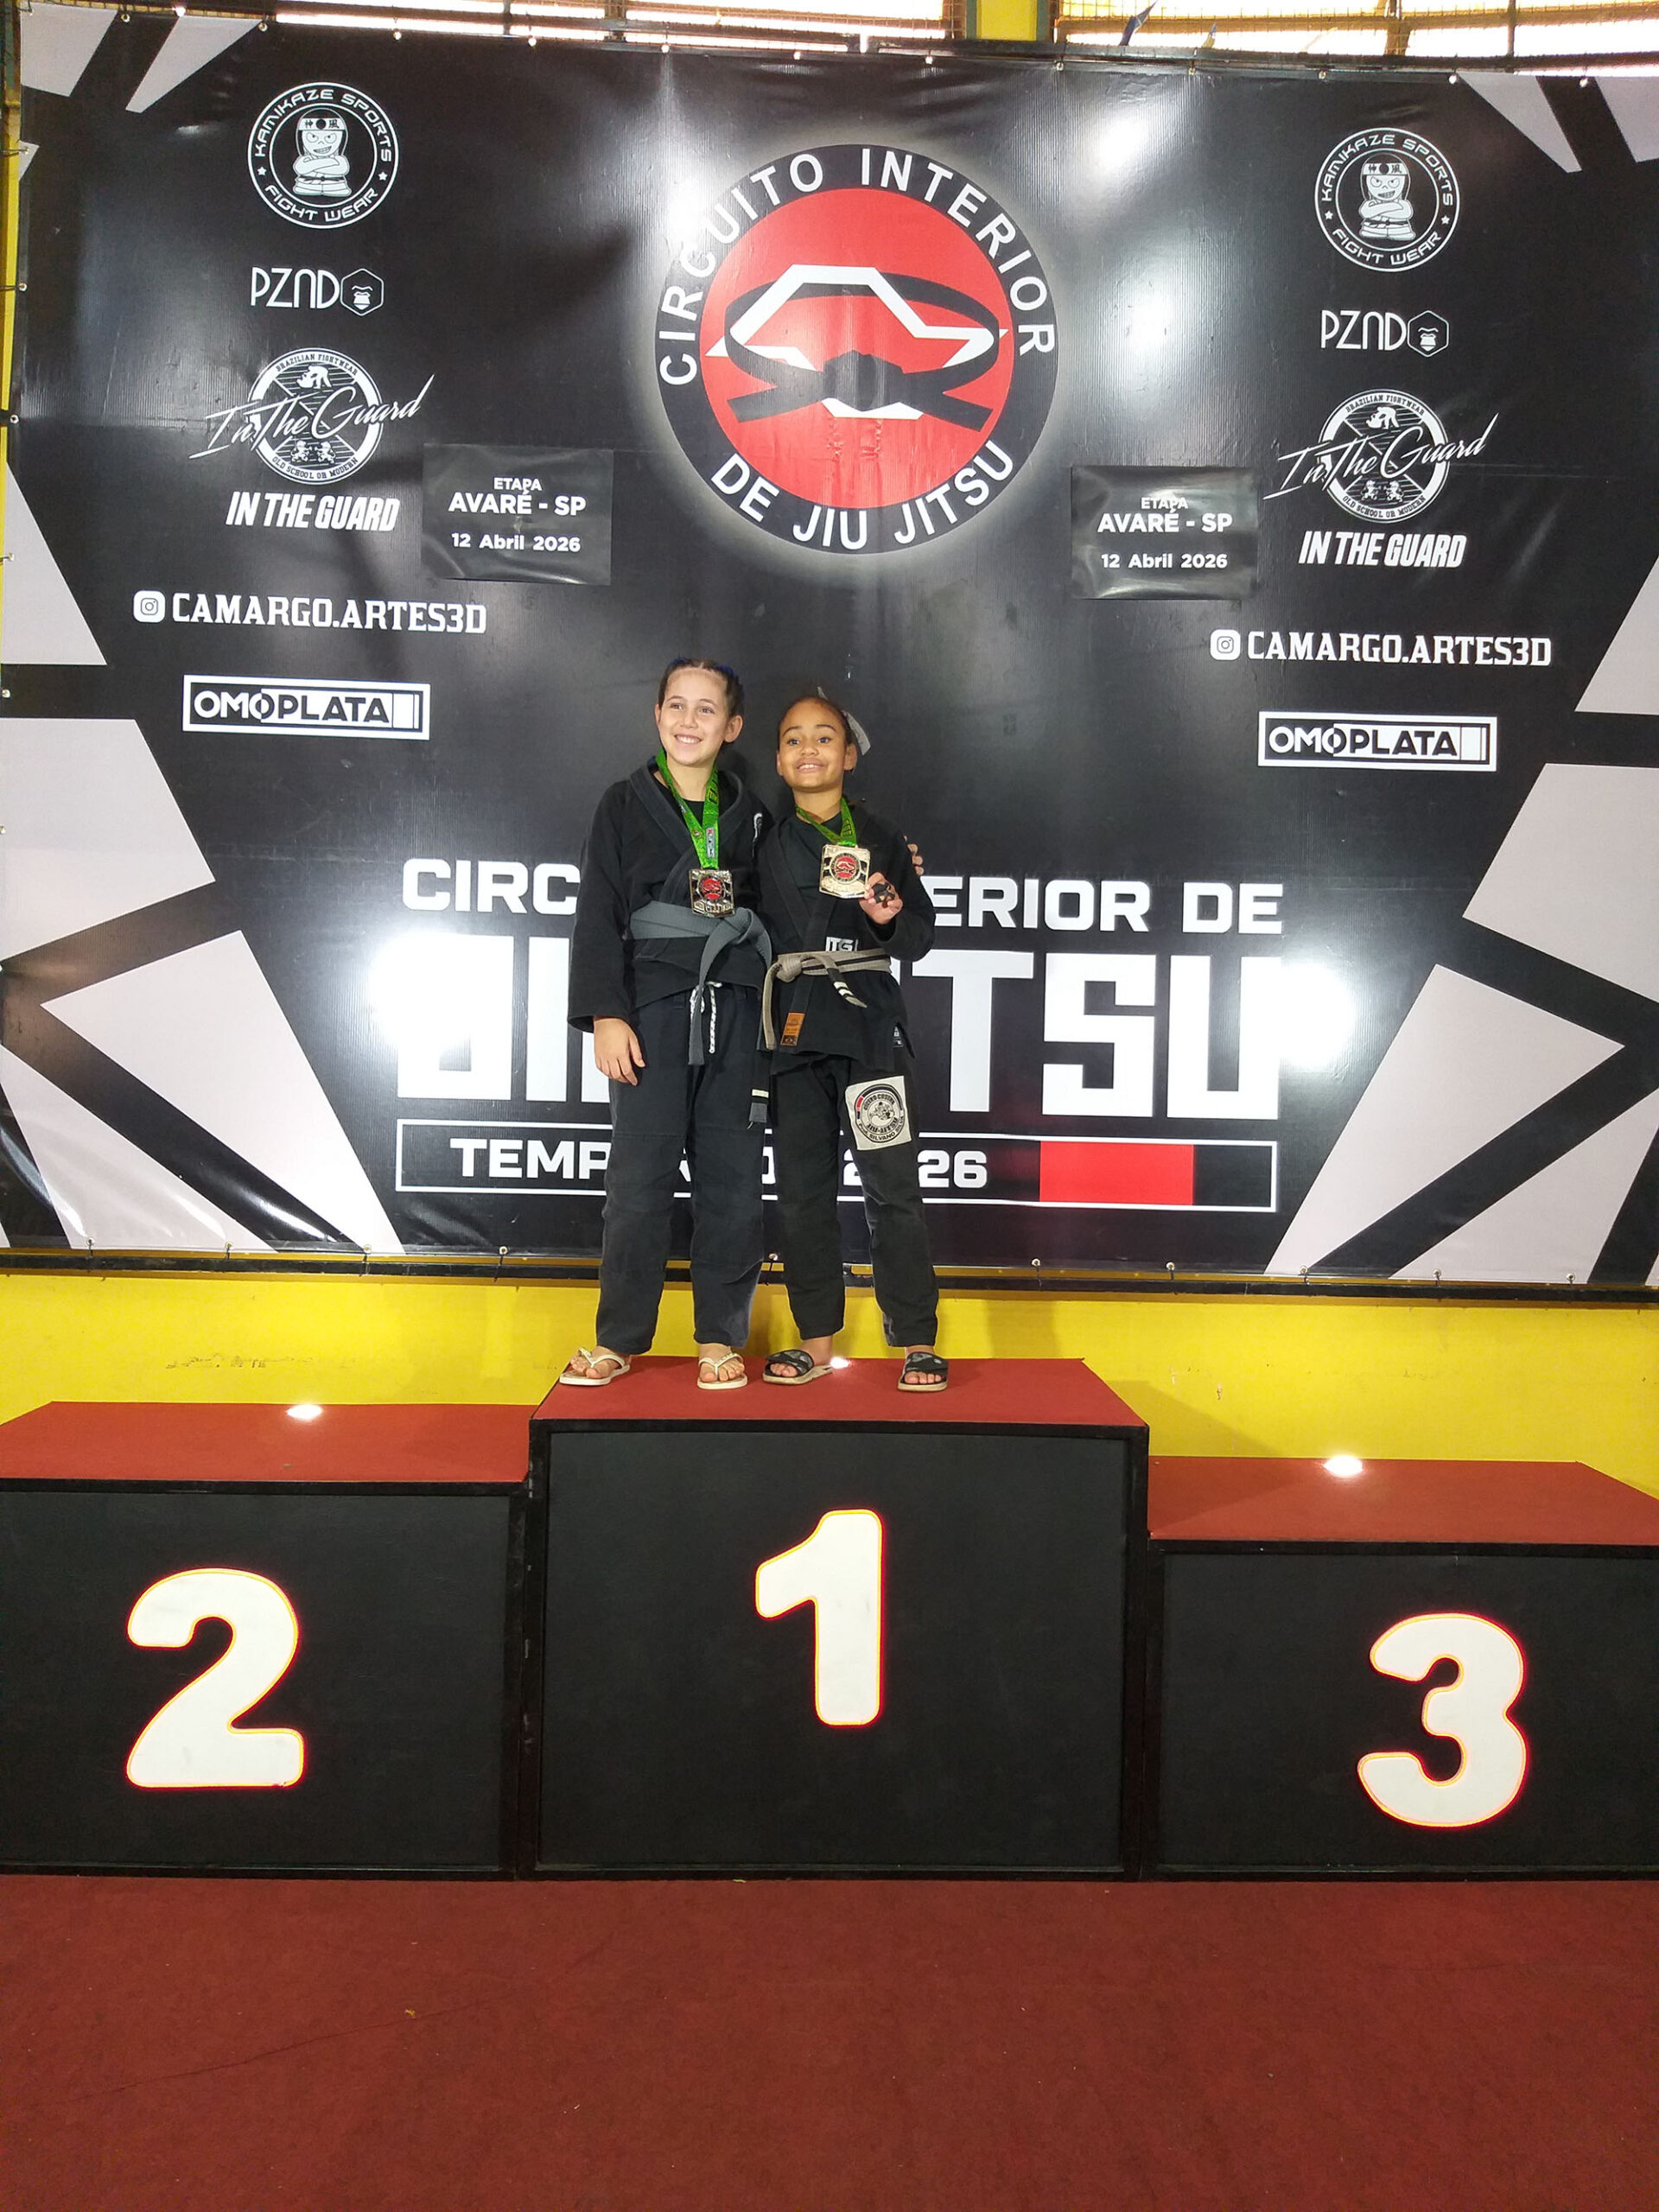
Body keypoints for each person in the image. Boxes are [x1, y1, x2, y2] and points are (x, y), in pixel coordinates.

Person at [558, 658, 771, 1390]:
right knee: (638, 1180)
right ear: (656, 716)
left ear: (731, 727)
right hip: (650, 1009)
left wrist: (888, 866)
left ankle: (720, 1337)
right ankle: (619, 1337)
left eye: (706, 710)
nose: (689, 721)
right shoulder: (623, 803)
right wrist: (606, 1013)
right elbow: (598, 912)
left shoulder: (751, 813)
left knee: (733, 1179)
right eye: (676, 706)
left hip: (735, 1005)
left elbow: (790, 898)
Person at [756, 692, 946, 1391]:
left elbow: (918, 938)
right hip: (796, 1038)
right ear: (779, 760)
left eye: (824, 737)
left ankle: (916, 1341)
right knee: (803, 1194)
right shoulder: (761, 843)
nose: (809, 749)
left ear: (849, 755)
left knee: (892, 1188)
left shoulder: (885, 838)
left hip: (869, 1035)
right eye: (794, 739)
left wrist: (887, 915)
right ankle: (816, 1342)